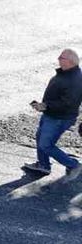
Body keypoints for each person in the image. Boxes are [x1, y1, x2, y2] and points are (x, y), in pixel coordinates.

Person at [21, 49, 82, 179]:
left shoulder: (74, 79)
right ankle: (43, 165)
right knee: (40, 138)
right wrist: (44, 106)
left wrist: (46, 105)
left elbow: (69, 103)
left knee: (46, 144)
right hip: (51, 114)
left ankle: (73, 165)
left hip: (59, 118)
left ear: (70, 62)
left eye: (62, 57)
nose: (58, 59)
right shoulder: (66, 73)